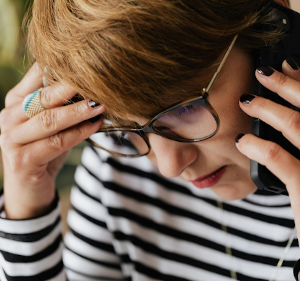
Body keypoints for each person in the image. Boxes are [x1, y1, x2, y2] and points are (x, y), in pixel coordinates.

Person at [1, 0, 300, 280]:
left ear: (274, 33)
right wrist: (27, 214)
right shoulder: (117, 168)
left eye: (185, 108)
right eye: (123, 128)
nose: (170, 167)